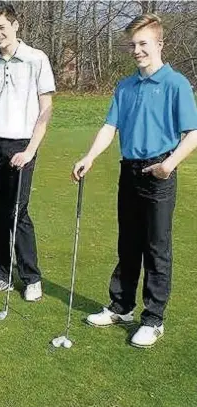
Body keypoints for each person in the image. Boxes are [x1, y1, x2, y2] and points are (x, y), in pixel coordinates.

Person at [72, 13, 197, 348]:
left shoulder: (176, 84)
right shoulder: (125, 86)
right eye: (132, 44)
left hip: (159, 172)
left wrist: (169, 165)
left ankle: (153, 319)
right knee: (128, 243)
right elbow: (110, 127)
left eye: (143, 43)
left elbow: (192, 134)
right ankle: (122, 306)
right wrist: (90, 156)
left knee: (156, 247)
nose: (137, 50)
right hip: (129, 171)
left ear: (159, 44)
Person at [0, 1, 55, 302]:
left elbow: (46, 109)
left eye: (2, 27)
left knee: (17, 212)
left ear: (15, 25)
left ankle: (31, 277)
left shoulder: (36, 59)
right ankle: (0, 275)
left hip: (21, 144)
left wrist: (31, 150)